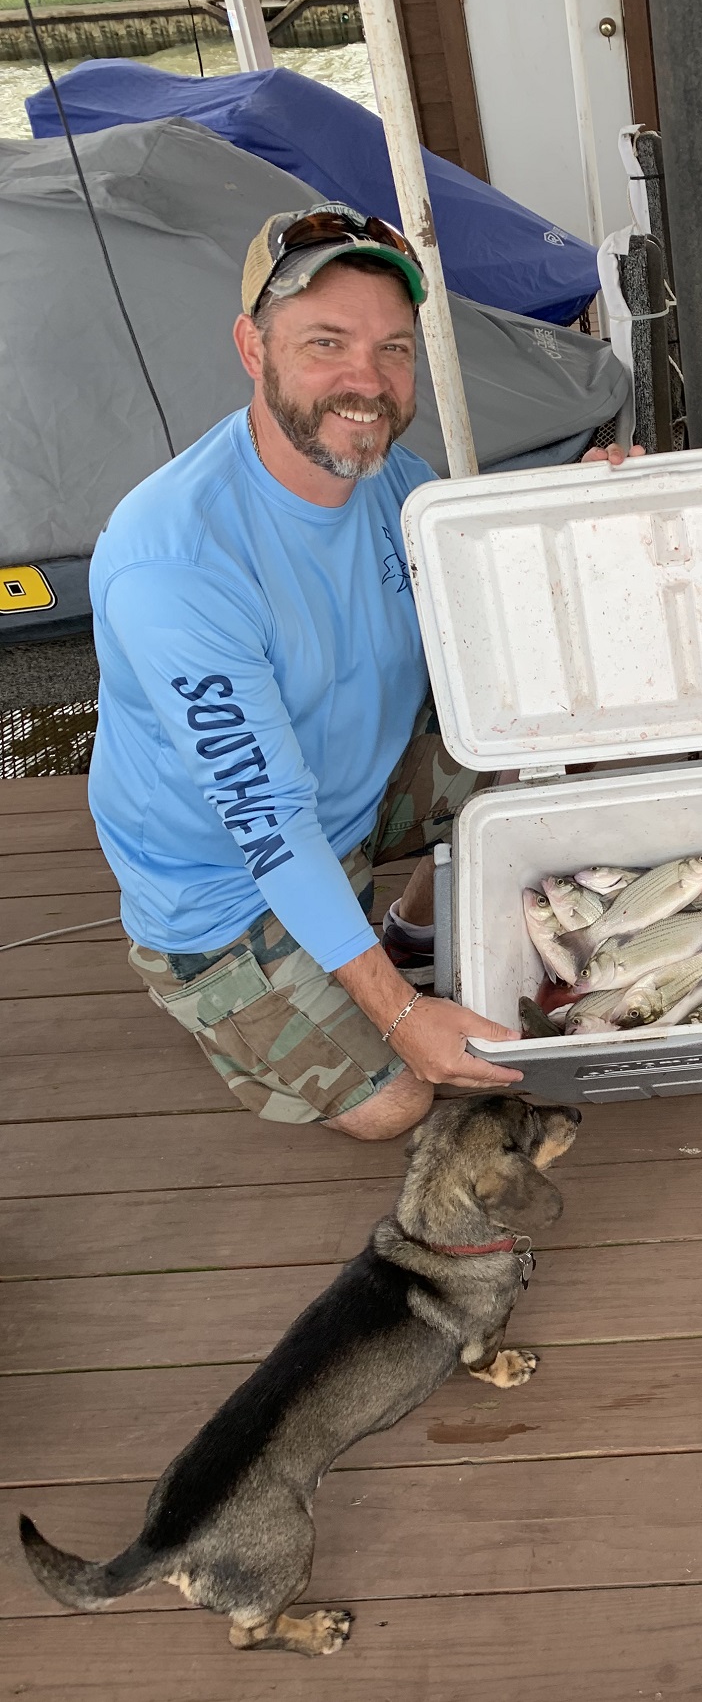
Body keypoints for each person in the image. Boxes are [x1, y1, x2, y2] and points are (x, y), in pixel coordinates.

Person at [88, 202, 530, 1138]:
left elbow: (516, 594)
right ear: (252, 347)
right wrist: (404, 1017)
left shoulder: (400, 485)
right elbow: (266, 821)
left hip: (353, 805)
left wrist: (607, 499)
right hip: (225, 887)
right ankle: (222, 998)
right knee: (401, 1101)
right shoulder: (175, 557)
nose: (365, 380)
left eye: (394, 349)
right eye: (326, 341)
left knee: (536, 737)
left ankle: (405, 925)